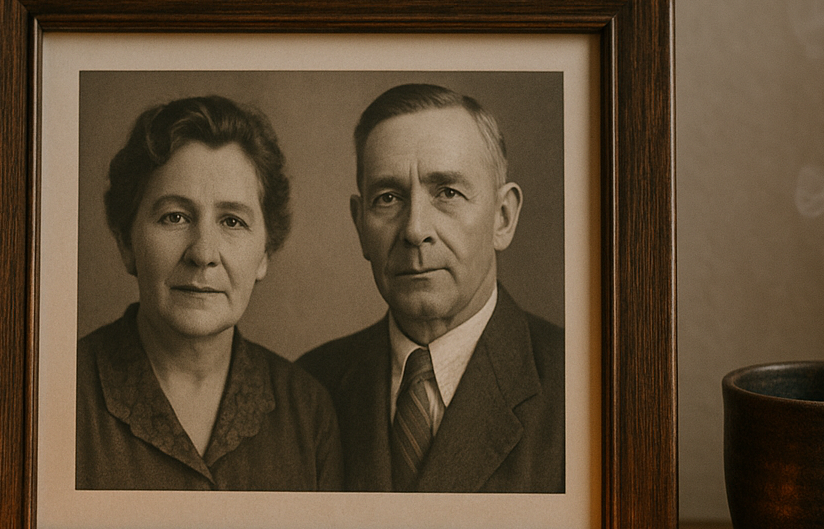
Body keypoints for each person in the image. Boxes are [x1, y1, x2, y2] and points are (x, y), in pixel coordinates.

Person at [298, 84, 564, 493]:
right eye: (387, 198)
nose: (415, 229)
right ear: (359, 226)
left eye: (448, 193)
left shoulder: (585, 385)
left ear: (503, 218)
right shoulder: (309, 389)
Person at [76, 95, 341, 491]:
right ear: (127, 242)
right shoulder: (58, 394)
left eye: (232, 221)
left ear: (265, 253)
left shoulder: (307, 413)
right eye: (175, 217)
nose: (203, 253)